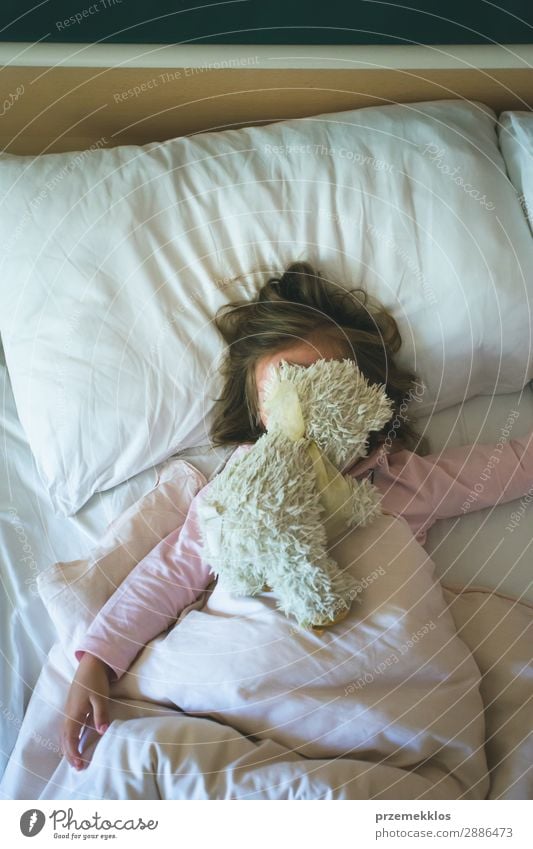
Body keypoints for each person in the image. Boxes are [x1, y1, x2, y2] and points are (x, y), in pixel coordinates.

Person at [61, 261, 532, 770]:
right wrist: (98, 660)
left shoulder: (401, 480)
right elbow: (174, 567)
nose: (302, 407)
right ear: (261, 414)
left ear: (362, 396)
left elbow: (505, 467)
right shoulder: (240, 486)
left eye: (318, 384)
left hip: (364, 699)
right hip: (237, 680)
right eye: (280, 392)